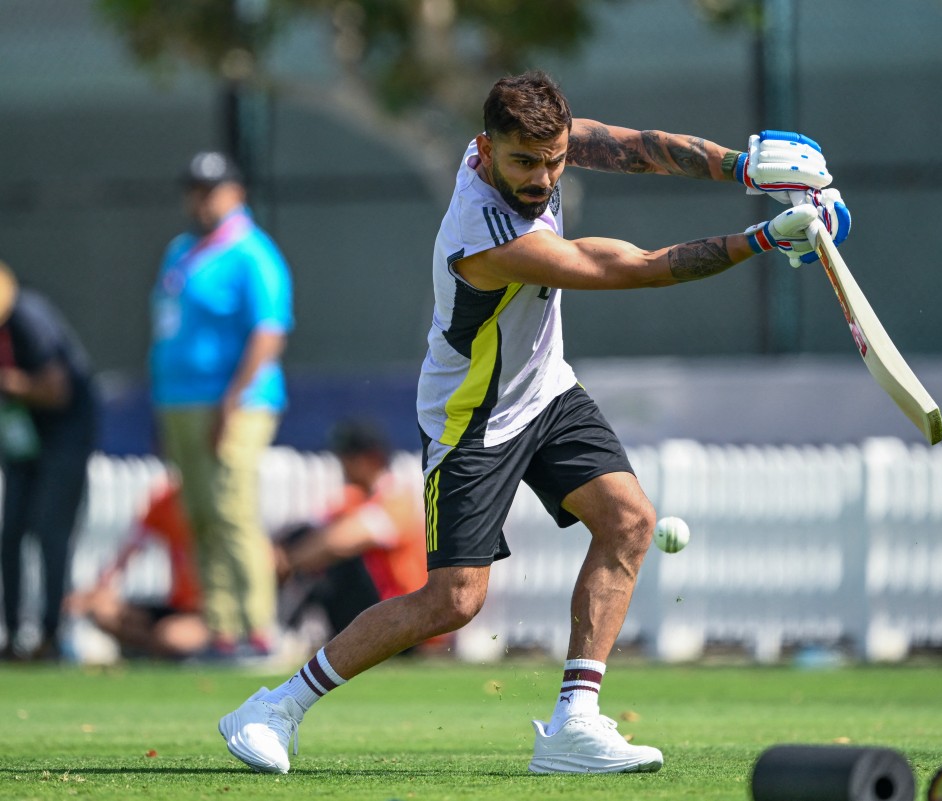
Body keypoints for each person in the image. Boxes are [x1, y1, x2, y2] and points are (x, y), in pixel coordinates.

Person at [218, 69, 849, 775]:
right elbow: (624, 268)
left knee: (630, 520)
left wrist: (744, 165)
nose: (543, 178)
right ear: (485, 151)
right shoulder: (482, 235)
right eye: (525, 162)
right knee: (454, 601)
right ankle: (273, 706)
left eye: (555, 159)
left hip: (545, 389)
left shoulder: (537, 147)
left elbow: (639, 146)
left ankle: (573, 724)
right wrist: (761, 240)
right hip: (472, 418)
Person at [149, 151, 294, 659]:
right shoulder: (182, 251)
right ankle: (222, 629)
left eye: (212, 188)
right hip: (179, 400)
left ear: (236, 192)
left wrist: (231, 402)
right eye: (195, 189)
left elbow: (269, 332)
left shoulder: (252, 252)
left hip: (237, 401)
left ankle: (257, 630)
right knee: (200, 513)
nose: (202, 198)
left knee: (232, 510)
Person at [0, 262, 98, 662]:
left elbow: (56, 391)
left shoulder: (27, 318)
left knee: (50, 530)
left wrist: (9, 384)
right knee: (10, 535)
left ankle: (52, 636)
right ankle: (12, 637)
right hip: (24, 437)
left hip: (64, 436)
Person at [274, 418, 430, 643]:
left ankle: (283, 637)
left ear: (370, 459)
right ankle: (278, 634)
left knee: (337, 563)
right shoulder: (353, 498)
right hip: (379, 611)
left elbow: (343, 541)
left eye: (347, 457)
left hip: (405, 618)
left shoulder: (396, 499)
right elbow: (312, 529)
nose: (341, 464)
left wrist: (289, 560)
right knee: (304, 540)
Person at [62, 481, 209, 660]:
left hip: (208, 612)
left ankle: (169, 651)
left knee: (170, 637)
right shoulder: (167, 498)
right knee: (103, 611)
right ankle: (152, 652)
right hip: (177, 605)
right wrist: (95, 591)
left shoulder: (218, 502)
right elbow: (131, 546)